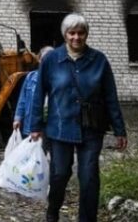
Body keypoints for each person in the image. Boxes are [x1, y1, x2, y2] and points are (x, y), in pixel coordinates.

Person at [28, 13, 128, 222]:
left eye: (81, 33)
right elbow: (39, 94)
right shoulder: (51, 60)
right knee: (60, 174)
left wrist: (120, 130)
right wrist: (35, 125)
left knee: (89, 177)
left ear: (86, 35)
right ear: (65, 35)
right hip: (60, 126)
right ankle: (53, 211)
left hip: (92, 127)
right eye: (72, 33)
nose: (76, 37)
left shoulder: (99, 60)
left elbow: (111, 96)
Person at [13, 45, 54, 138]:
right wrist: (18, 119)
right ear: (39, 60)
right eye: (45, 59)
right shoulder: (30, 77)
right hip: (32, 124)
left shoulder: (60, 79)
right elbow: (22, 100)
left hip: (53, 126)